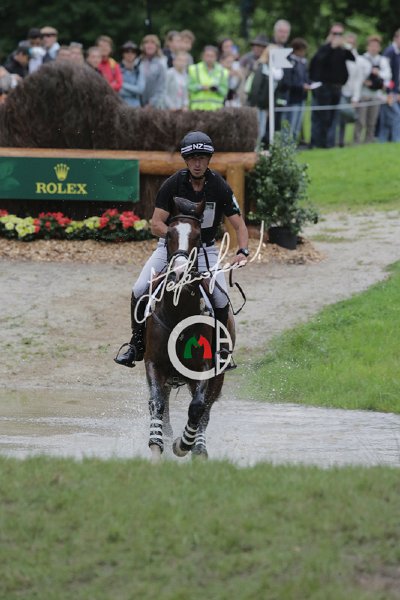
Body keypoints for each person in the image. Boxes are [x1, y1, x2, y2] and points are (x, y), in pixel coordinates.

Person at [114, 131, 249, 368]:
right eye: (193, 158)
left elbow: (239, 225)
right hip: (171, 249)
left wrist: (243, 251)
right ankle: (136, 344)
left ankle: (220, 349)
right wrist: (180, 238)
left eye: (202, 158)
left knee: (219, 297)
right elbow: (156, 224)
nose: (197, 163)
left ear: (208, 160)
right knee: (139, 288)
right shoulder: (173, 184)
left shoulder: (219, 186)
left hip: (205, 250)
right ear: (186, 160)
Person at [309, 23, 355, 148]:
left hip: (337, 88)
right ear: (330, 34)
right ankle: (319, 143)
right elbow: (317, 62)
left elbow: (352, 58)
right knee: (323, 117)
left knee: (333, 117)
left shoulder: (342, 50)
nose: (337, 36)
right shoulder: (324, 48)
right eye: (335, 33)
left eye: (340, 34)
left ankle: (329, 143)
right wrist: (331, 46)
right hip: (324, 88)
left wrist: (345, 46)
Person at [354, 35, 391, 144]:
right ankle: (356, 141)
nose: (374, 48)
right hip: (363, 94)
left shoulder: (382, 60)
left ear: (379, 48)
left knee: (372, 121)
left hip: (376, 95)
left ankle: (368, 141)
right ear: (368, 47)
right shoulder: (361, 59)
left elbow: (388, 75)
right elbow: (358, 77)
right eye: (372, 46)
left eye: (376, 46)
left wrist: (378, 73)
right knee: (360, 120)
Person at [247, 44, 283, 146]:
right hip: (258, 105)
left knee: (263, 130)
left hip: (266, 106)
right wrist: (254, 105)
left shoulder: (276, 70)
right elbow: (255, 88)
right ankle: (255, 150)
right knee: (258, 130)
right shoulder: (262, 68)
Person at [280, 38, 311, 140]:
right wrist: (301, 86)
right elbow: (288, 81)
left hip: (301, 97)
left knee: (297, 127)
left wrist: (309, 84)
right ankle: (286, 145)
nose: (303, 53)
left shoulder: (303, 62)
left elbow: (305, 77)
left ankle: (293, 144)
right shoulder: (289, 62)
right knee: (289, 125)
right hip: (292, 99)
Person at [188, 45, 229, 110]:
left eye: (212, 56)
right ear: (203, 56)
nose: (209, 58)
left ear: (216, 57)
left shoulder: (223, 72)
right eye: (207, 55)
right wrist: (201, 87)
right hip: (197, 109)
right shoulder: (194, 69)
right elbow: (189, 87)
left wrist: (216, 89)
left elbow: (225, 91)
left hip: (216, 109)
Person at [379, 29, 400, 142]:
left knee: (386, 117)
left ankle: (383, 140)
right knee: (396, 115)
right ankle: (396, 140)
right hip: (388, 92)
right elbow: (386, 75)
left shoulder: (397, 52)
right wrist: (390, 91)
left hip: (394, 91)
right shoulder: (390, 52)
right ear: (396, 38)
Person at [139, 34, 167, 108]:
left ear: (157, 46)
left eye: (152, 43)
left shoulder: (161, 62)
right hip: (139, 104)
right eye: (147, 43)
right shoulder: (138, 62)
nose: (149, 45)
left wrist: (151, 103)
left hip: (156, 105)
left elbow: (162, 87)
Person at [119, 41, 145, 107]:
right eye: (127, 51)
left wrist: (121, 84)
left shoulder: (139, 70)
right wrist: (134, 93)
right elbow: (117, 91)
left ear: (136, 54)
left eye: (133, 52)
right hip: (121, 106)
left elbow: (140, 89)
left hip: (136, 108)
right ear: (123, 53)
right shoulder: (116, 68)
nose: (130, 54)